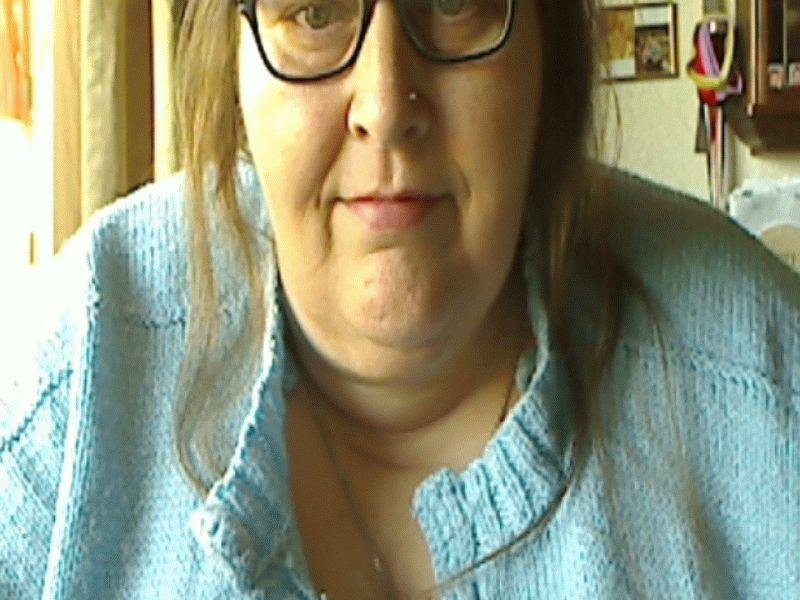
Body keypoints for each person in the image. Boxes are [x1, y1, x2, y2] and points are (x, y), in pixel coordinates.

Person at [1, 0, 798, 598]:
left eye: (453, 2)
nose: (384, 107)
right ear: (234, 64)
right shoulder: (75, 382)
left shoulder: (762, 383)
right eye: (315, 11)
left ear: (547, 58)